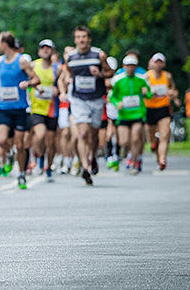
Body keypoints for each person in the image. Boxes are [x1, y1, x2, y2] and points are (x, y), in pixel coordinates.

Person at [61, 26, 113, 185]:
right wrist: (69, 79)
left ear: (89, 39)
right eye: (78, 37)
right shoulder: (70, 56)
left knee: (94, 134)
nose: (81, 40)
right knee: (82, 133)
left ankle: (93, 157)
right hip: (78, 99)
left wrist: (100, 74)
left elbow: (110, 73)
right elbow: (68, 72)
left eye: (84, 37)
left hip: (96, 98)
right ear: (75, 40)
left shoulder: (99, 54)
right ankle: (85, 166)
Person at [0, 31, 40, 190]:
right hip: (4, 108)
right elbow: (0, 80)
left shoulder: (22, 61)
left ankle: (21, 173)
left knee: (20, 145)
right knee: (1, 140)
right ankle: (8, 155)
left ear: (5, 44)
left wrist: (28, 84)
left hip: (20, 109)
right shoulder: (0, 61)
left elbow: (36, 79)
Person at [110, 54, 151, 174]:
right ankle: (128, 154)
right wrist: (117, 103)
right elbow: (112, 96)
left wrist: (146, 92)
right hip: (124, 115)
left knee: (135, 138)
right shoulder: (118, 80)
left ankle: (133, 162)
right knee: (124, 141)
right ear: (124, 66)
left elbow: (149, 94)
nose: (130, 68)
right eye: (128, 66)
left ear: (136, 67)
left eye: (133, 66)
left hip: (137, 114)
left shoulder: (141, 79)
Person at [29, 39, 60, 181]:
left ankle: (49, 166)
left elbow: (63, 85)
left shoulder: (57, 68)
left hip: (52, 108)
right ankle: (40, 157)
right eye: (43, 48)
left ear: (52, 51)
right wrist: (33, 86)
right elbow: (26, 80)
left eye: (49, 48)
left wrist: (58, 90)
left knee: (51, 141)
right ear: (39, 51)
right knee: (40, 135)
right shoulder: (33, 65)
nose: (46, 50)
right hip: (36, 107)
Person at [144, 52, 178, 170]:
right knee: (151, 136)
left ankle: (162, 159)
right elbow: (141, 91)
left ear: (163, 64)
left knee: (165, 135)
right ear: (152, 63)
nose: (158, 65)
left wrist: (173, 95)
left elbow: (173, 90)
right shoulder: (147, 76)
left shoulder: (167, 76)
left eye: (160, 62)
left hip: (163, 107)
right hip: (149, 109)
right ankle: (154, 146)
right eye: (156, 62)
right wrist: (148, 92)